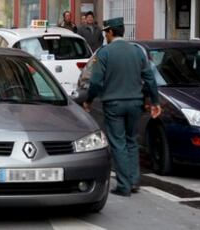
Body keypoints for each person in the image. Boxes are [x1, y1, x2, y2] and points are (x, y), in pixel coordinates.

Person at [82, 17, 162, 197]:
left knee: (118, 143)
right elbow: (149, 78)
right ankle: (134, 181)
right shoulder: (137, 51)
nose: (105, 36)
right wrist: (155, 102)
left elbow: (95, 81)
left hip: (114, 104)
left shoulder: (105, 53)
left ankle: (124, 185)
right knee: (131, 141)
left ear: (110, 32)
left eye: (106, 33)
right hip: (135, 103)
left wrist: (89, 100)